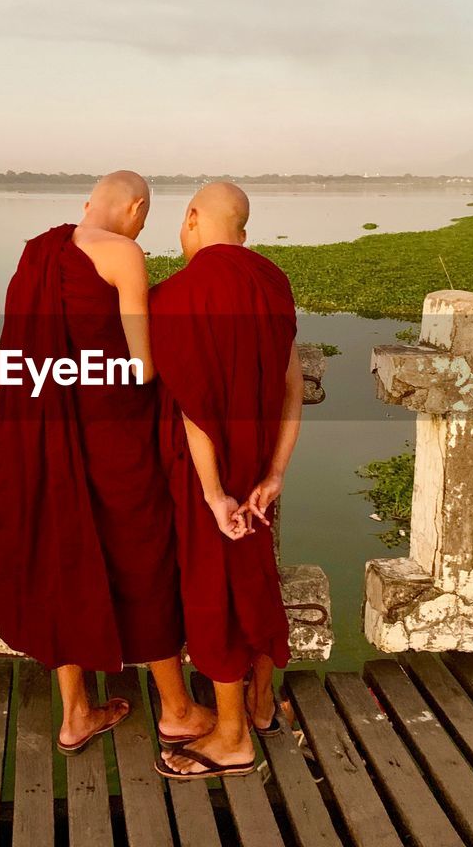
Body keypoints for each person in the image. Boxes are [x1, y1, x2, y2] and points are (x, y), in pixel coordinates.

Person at [0, 170, 214, 754]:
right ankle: (178, 710)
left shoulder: (38, 254)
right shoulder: (124, 253)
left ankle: (77, 714)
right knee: (143, 555)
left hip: (43, 438)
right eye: (144, 217)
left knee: (63, 553)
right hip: (114, 439)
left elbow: (21, 361)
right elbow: (142, 368)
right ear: (135, 208)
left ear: (88, 205)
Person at [150, 182, 303, 779]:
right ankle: (261, 706)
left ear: (191, 218)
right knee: (255, 577)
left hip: (206, 473)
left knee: (215, 592)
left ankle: (233, 738)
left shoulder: (178, 294)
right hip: (260, 465)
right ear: (243, 228)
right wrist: (275, 473)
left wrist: (214, 493)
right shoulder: (273, 282)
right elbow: (292, 386)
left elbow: (195, 407)